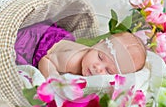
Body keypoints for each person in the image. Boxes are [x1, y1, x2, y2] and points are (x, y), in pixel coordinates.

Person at [15, 22, 147, 78]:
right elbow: (46, 59)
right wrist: (53, 79)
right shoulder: (73, 61)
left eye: (109, 71)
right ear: (97, 44)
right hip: (34, 41)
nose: (98, 67)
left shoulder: (89, 61)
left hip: (55, 39)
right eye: (100, 57)